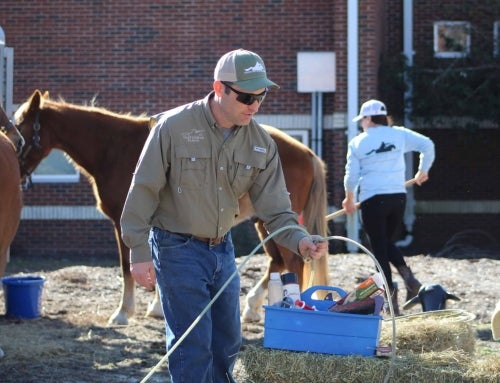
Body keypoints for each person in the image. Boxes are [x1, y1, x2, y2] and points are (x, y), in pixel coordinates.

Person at [120, 48, 328, 383]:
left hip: (222, 250)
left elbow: (277, 210)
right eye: (246, 96)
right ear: (219, 88)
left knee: (228, 343)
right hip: (176, 249)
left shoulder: (261, 144)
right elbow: (143, 190)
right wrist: (138, 251)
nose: (255, 106)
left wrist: (300, 240)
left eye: (261, 97)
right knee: (193, 344)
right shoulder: (172, 127)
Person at [342, 99, 435, 316]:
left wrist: (348, 198)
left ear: (367, 119)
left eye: (362, 120)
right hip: (397, 198)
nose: (361, 125)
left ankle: (391, 301)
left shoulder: (358, 142)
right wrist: (423, 171)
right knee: (385, 242)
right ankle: (410, 280)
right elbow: (428, 145)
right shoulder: (399, 134)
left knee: (378, 249)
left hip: (372, 199)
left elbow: (351, 175)